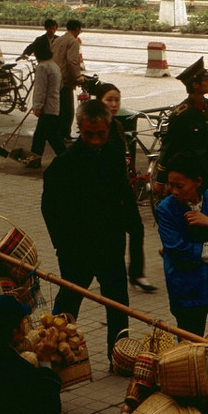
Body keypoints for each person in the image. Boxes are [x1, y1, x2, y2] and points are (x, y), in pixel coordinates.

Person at [41, 100, 135, 363]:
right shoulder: (64, 165)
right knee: (68, 306)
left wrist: (132, 232)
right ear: (79, 130)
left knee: (118, 305)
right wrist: (62, 245)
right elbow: (50, 209)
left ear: (108, 129)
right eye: (88, 134)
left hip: (110, 247)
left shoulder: (115, 156)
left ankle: (119, 357)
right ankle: (55, 354)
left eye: (101, 134)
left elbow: (124, 197)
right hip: (76, 251)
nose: (95, 141)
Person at [155, 152, 208, 336]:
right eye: (171, 185)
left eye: (180, 186)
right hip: (187, 288)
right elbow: (177, 249)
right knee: (190, 344)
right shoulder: (166, 209)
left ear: (198, 181)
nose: (174, 191)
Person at [93, 82, 156, 294]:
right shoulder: (97, 128)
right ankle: (110, 272)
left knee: (137, 229)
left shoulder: (118, 126)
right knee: (113, 237)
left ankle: (137, 273)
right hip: (108, 195)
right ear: (99, 101)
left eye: (116, 100)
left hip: (124, 190)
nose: (113, 104)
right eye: (108, 99)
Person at [157, 58, 208, 192]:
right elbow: (169, 146)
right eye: (206, 80)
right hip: (191, 175)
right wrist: (161, 178)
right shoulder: (182, 114)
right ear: (195, 85)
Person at [23, 38, 63, 168]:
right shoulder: (54, 65)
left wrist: (37, 106)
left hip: (46, 107)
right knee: (48, 136)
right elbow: (60, 86)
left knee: (44, 136)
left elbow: (40, 89)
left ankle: (35, 160)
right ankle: (34, 160)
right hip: (54, 105)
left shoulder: (42, 67)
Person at [50, 19, 84, 140]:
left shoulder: (58, 40)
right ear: (76, 29)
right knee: (68, 109)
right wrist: (78, 76)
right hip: (64, 80)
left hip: (54, 77)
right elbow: (72, 61)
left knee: (57, 108)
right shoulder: (73, 41)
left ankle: (57, 132)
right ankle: (65, 134)